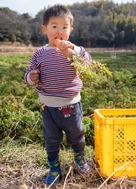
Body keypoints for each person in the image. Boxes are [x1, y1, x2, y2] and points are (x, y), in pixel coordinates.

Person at [24, 4, 91, 185]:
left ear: (71, 30)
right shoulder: (40, 54)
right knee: (51, 139)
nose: (60, 31)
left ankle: (80, 160)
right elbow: (28, 74)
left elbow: (88, 66)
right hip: (48, 108)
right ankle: (54, 167)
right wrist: (31, 77)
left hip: (72, 105)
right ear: (45, 29)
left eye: (64, 27)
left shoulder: (76, 51)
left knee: (77, 135)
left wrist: (71, 52)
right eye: (55, 26)